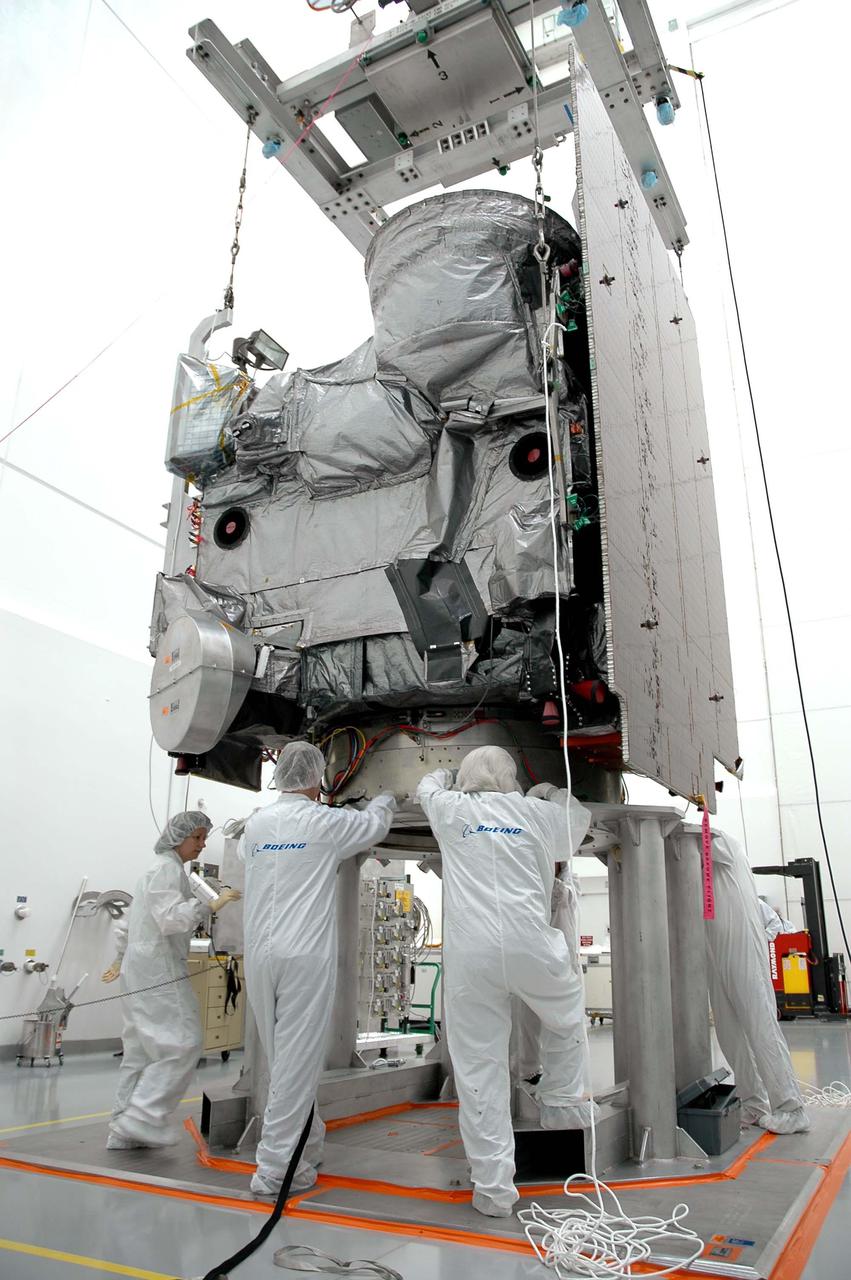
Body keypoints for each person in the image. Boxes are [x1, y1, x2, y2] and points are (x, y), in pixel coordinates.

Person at [416, 746, 591, 1219]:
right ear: (510, 776)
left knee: (479, 1070)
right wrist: (551, 791)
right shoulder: (535, 813)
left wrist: (447, 774)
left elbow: (425, 788)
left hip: (471, 956)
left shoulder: (451, 810)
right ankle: (557, 1103)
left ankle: (493, 1190)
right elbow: (578, 819)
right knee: (567, 1012)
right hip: (531, 944)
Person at [242, 741, 396, 1198]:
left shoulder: (257, 824)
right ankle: (274, 1171)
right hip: (304, 957)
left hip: (260, 954)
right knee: (295, 1064)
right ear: (315, 777)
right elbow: (373, 825)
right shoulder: (322, 822)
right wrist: (386, 797)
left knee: (283, 1060)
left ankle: (304, 1148)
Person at [102, 811, 241, 1149]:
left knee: (140, 1051)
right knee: (183, 1041)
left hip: (140, 967)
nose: (202, 844)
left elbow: (132, 924)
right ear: (178, 837)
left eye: (204, 838)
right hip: (158, 967)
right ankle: (144, 1117)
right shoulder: (166, 870)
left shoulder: (161, 870)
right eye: (197, 838)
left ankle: (122, 1128)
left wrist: (121, 959)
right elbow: (170, 919)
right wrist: (209, 904)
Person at [707, 831, 809, 1135]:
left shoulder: (723, 843)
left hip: (742, 949)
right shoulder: (697, 864)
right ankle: (754, 1103)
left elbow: (773, 925)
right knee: (729, 1033)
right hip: (715, 952)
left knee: (760, 1025)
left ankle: (791, 1108)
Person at [516, 783, 591, 1086]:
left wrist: (548, 792)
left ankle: (562, 1088)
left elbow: (576, 819)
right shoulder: (533, 873)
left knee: (563, 1021)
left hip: (558, 960)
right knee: (528, 1017)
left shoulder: (565, 882)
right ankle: (531, 1073)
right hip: (534, 958)